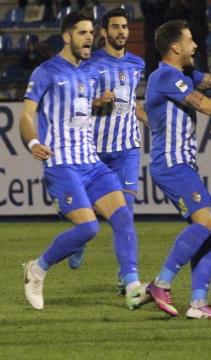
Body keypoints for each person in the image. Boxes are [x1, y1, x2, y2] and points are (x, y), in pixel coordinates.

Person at [21, 11, 148, 311]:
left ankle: (131, 286)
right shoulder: (46, 71)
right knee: (89, 229)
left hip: (91, 162)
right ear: (67, 37)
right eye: (82, 33)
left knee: (123, 216)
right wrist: (33, 141)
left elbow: (79, 110)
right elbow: (27, 114)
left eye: (91, 32)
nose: (89, 37)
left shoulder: (89, 73)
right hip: (62, 163)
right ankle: (36, 270)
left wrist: (97, 104)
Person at [144, 19, 211, 319]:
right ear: (175, 47)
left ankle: (199, 303)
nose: (195, 45)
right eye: (190, 40)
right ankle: (161, 283)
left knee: (209, 227)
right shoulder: (165, 76)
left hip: (183, 164)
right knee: (205, 221)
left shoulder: (185, 74)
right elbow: (207, 106)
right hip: (171, 164)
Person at [64, 8, 148, 297]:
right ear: (103, 32)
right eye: (115, 27)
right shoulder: (90, 64)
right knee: (90, 210)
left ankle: (127, 276)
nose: (121, 32)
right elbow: (75, 103)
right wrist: (97, 101)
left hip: (127, 149)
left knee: (124, 213)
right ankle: (80, 239)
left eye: (125, 26)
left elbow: (130, 102)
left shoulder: (138, 63)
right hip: (95, 151)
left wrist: (145, 116)